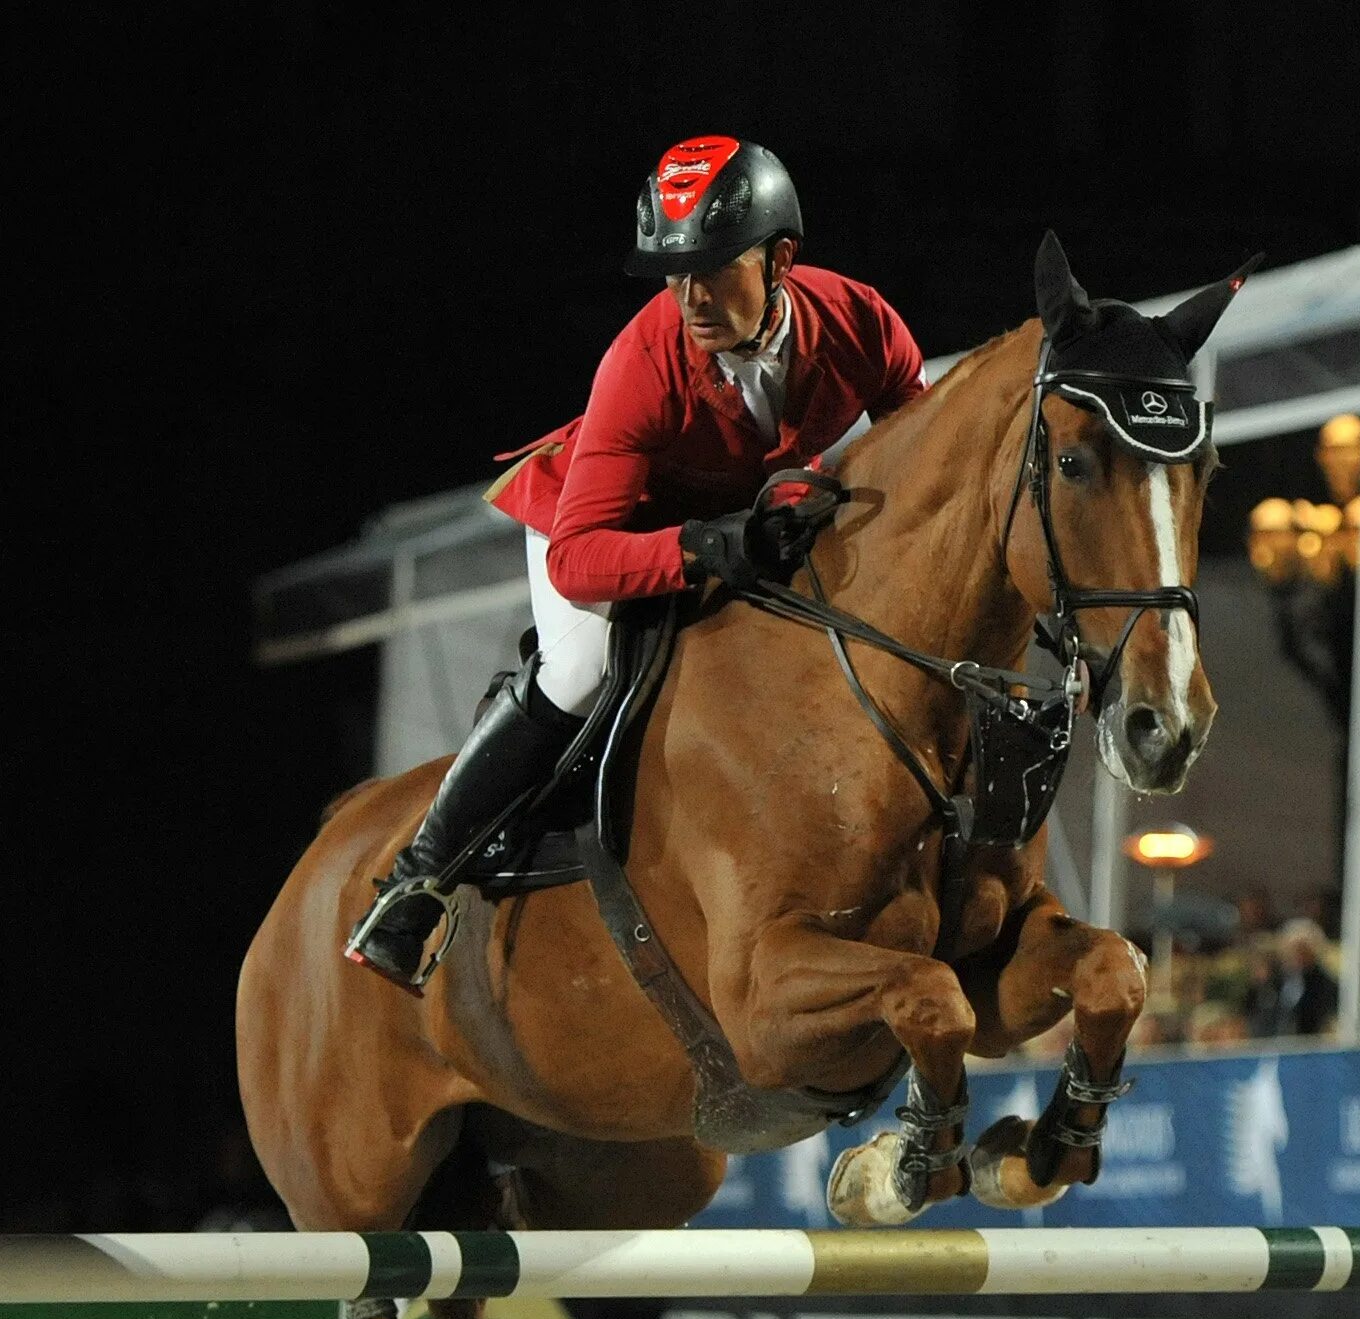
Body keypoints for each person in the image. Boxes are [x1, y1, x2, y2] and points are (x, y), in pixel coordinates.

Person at [347, 136, 928, 989]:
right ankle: (414, 882)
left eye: (711, 269)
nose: (689, 296)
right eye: (671, 272)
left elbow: (920, 455)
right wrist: (704, 547)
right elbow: (582, 558)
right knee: (579, 669)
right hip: (592, 526)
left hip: (717, 521)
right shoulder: (642, 362)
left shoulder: (860, 322)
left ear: (782, 260)